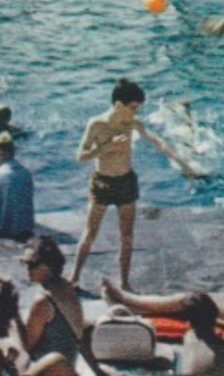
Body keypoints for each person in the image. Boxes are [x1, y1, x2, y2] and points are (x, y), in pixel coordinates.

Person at [70, 78, 200, 289]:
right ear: (119, 105)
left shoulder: (131, 124)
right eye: (133, 108)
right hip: (102, 183)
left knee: (127, 236)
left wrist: (184, 165)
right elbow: (81, 155)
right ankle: (74, 277)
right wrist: (106, 148)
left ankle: (124, 281)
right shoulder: (97, 124)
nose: (136, 112)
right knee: (90, 233)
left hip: (126, 183)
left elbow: (158, 142)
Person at [19, 236, 89, 365]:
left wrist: (14, 318)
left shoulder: (43, 302)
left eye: (32, 264)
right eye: (25, 263)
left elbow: (26, 346)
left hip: (47, 372)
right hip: (67, 365)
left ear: (49, 265)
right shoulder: (66, 286)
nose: (28, 269)